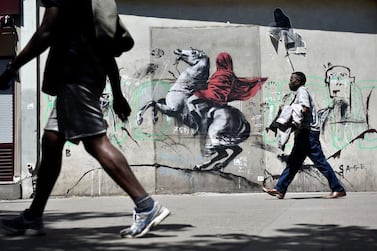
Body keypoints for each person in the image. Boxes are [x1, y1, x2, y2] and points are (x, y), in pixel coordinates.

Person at [0, 0, 170, 238]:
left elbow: (46, 32)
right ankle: (33, 216)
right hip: (84, 75)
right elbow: (104, 50)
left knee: (95, 141)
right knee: (51, 141)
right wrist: (118, 95)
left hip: (75, 77)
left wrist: (12, 68)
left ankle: (146, 206)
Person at [263, 72, 346, 199]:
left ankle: (338, 188)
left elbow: (304, 108)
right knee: (294, 162)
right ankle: (280, 189)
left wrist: (288, 109)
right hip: (304, 132)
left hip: (308, 133)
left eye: (291, 80)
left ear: (299, 81)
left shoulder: (302, 91)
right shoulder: (300, 92)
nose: (289, 82)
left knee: (319, 161)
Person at [187, 52, 267, 133]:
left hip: (211, 95)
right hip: (222, 99)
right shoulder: (231, 75)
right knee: (209, 111)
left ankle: (198, 124)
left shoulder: (218, 73)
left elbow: (212, 86)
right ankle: (205, 123)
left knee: (189, 101)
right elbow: (231, 86)